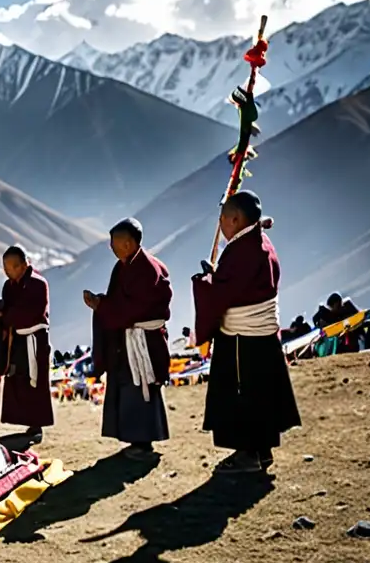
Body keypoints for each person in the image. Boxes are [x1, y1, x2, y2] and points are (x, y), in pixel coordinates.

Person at [193, 191, 301, 474]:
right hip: (262, 337)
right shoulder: (259, 242)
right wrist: (217, 275)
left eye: (222, 219)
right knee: (260, 392)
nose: (220, 225)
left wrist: (204, 281)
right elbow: (237, 285)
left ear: (236, 219)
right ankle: (261, 451)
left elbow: (224, 293)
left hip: (243, 338)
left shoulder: (244, 251)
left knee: (242, 393)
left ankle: (248, 455)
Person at [83, 218, 171, 459]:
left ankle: (144, 443)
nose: (111, 247)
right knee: (128, 387)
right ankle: (135, 439)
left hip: (143, 341)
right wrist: (101, 302)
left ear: (128, 243)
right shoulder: (122, 266)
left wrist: (101, 306)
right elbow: (119, 301)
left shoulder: (148, 269)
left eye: (114, 242)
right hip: (126, 339)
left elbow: (135, 309)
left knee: (140, 387)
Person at [0, 246, 54, 441]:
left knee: (36, 382)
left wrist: (4, 313)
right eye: (5, 267)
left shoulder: (38, 284)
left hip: (35, 339)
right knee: (17, 379)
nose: (8, 271)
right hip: (16, 340)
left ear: (24, 265)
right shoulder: (8, 286)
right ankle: (23, 419)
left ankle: (37, 425)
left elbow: (32, 312)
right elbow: (10, 309)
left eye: (12, 267)